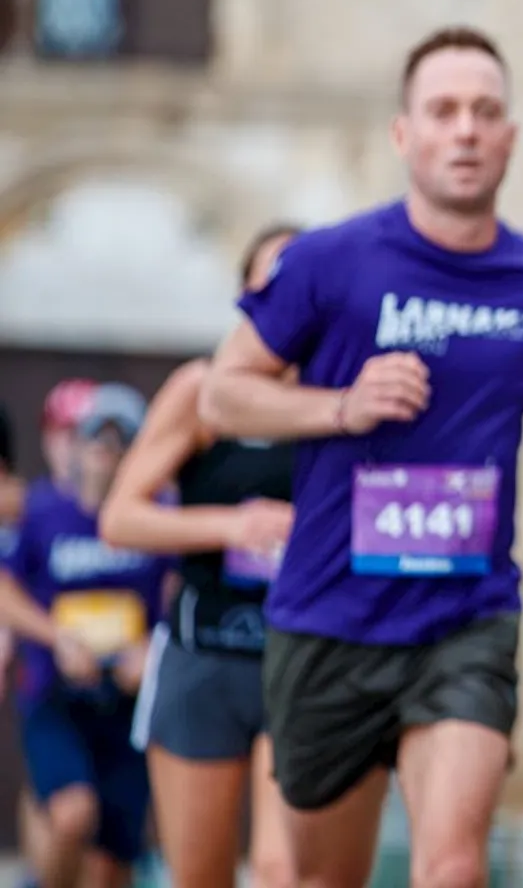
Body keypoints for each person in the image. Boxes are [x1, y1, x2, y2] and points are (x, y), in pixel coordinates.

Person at [197, 26, 523, 888]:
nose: (465, 130)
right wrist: (342, 406)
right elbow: (223, 394)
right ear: (404, 134)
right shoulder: (328, 263)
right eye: (444, 111)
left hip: (467, 616)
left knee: (452, 867)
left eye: (485, 112)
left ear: (510, 137)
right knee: (321, 878)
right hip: (330, 618)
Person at [98, 222, 304, 888]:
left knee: (283, 868)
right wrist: (232, 526)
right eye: (271, 279)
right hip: (204, 652)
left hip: (301, 656)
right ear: (246, 295)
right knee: (201, 875)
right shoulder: (203, 389)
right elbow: (120, 518)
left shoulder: (341, 398)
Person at [0, 385, 170, 888]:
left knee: (112, 861)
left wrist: (153, 648)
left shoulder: (156, 512)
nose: (106, 449)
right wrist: (56, 638)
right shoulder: (39, 510)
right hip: (57, 695)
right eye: (96, 435)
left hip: (125, 702)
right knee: (73, 814)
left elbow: (182, 589)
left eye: (121, 439)